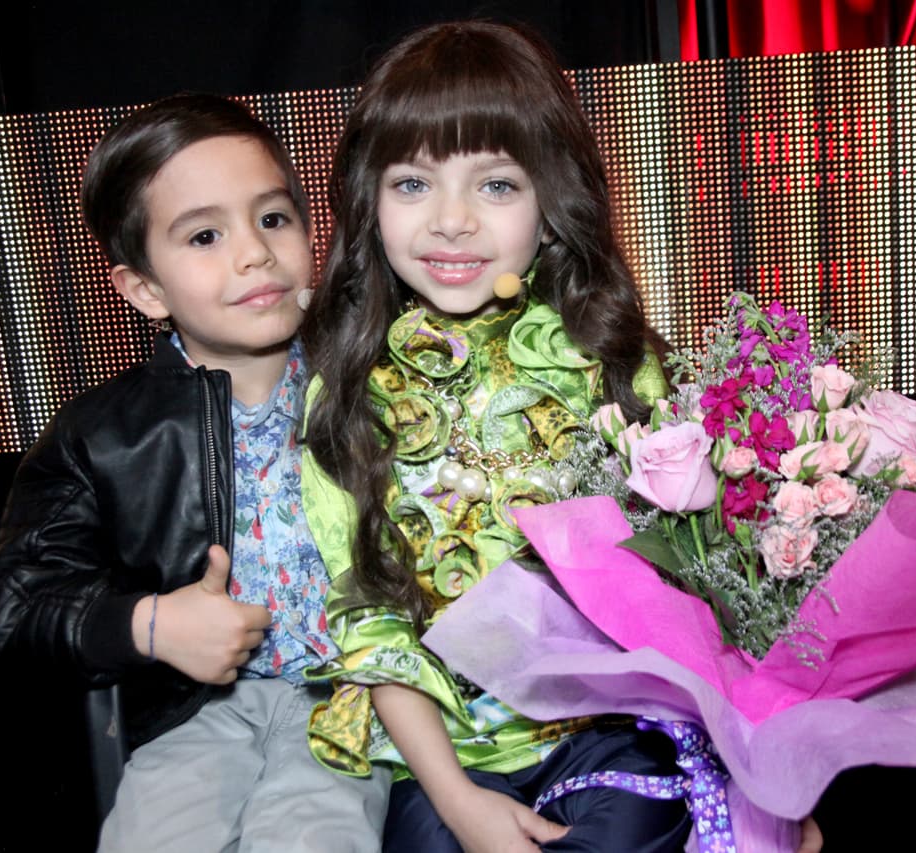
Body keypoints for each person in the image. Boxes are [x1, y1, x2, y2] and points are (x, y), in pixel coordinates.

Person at [299, 21, 691, 853]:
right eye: (412, 184)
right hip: (442, 759)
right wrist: (459, 801)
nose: (450, 222)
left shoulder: (611, 363)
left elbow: (696, 585)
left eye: (497, 185)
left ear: (553, 204)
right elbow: (368, 620)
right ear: (368, 201)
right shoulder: (344, 398)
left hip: (610, 731)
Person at [0, 92, 389, 853]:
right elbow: (14, 603)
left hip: (352, 700)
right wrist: (154, 623)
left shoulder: (377, 380)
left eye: (273, 218)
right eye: (204, 234)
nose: (253, 253)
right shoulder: (103, 433)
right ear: (144, 290)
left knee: (310, 837)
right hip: (192, 709)